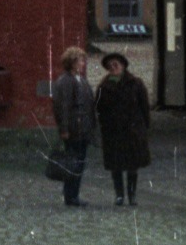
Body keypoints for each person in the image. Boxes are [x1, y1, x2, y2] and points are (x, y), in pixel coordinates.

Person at [95, 52, 151, 206]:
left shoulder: (136, 84)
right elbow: (99, 108)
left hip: (133, 132)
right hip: (113, 132)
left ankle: (132, 195)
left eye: (116, 64)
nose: (113, 67)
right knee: (116, 166)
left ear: (123, 65)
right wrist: (104, 126)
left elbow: (144, 107)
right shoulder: (103, 87)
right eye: (110, 65)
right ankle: (119, 195)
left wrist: (144, 128)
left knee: (132, 166)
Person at [51, 47, 96, 208]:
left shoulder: (80, 80)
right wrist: (64, 129)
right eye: (80, 60)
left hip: (83, 128)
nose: (82, 63)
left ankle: (73, 194)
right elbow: (62, 107)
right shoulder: (66, 81)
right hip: (73, 129)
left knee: (79, 162)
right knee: (73, 163)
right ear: (72, 62)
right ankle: (70, 195)